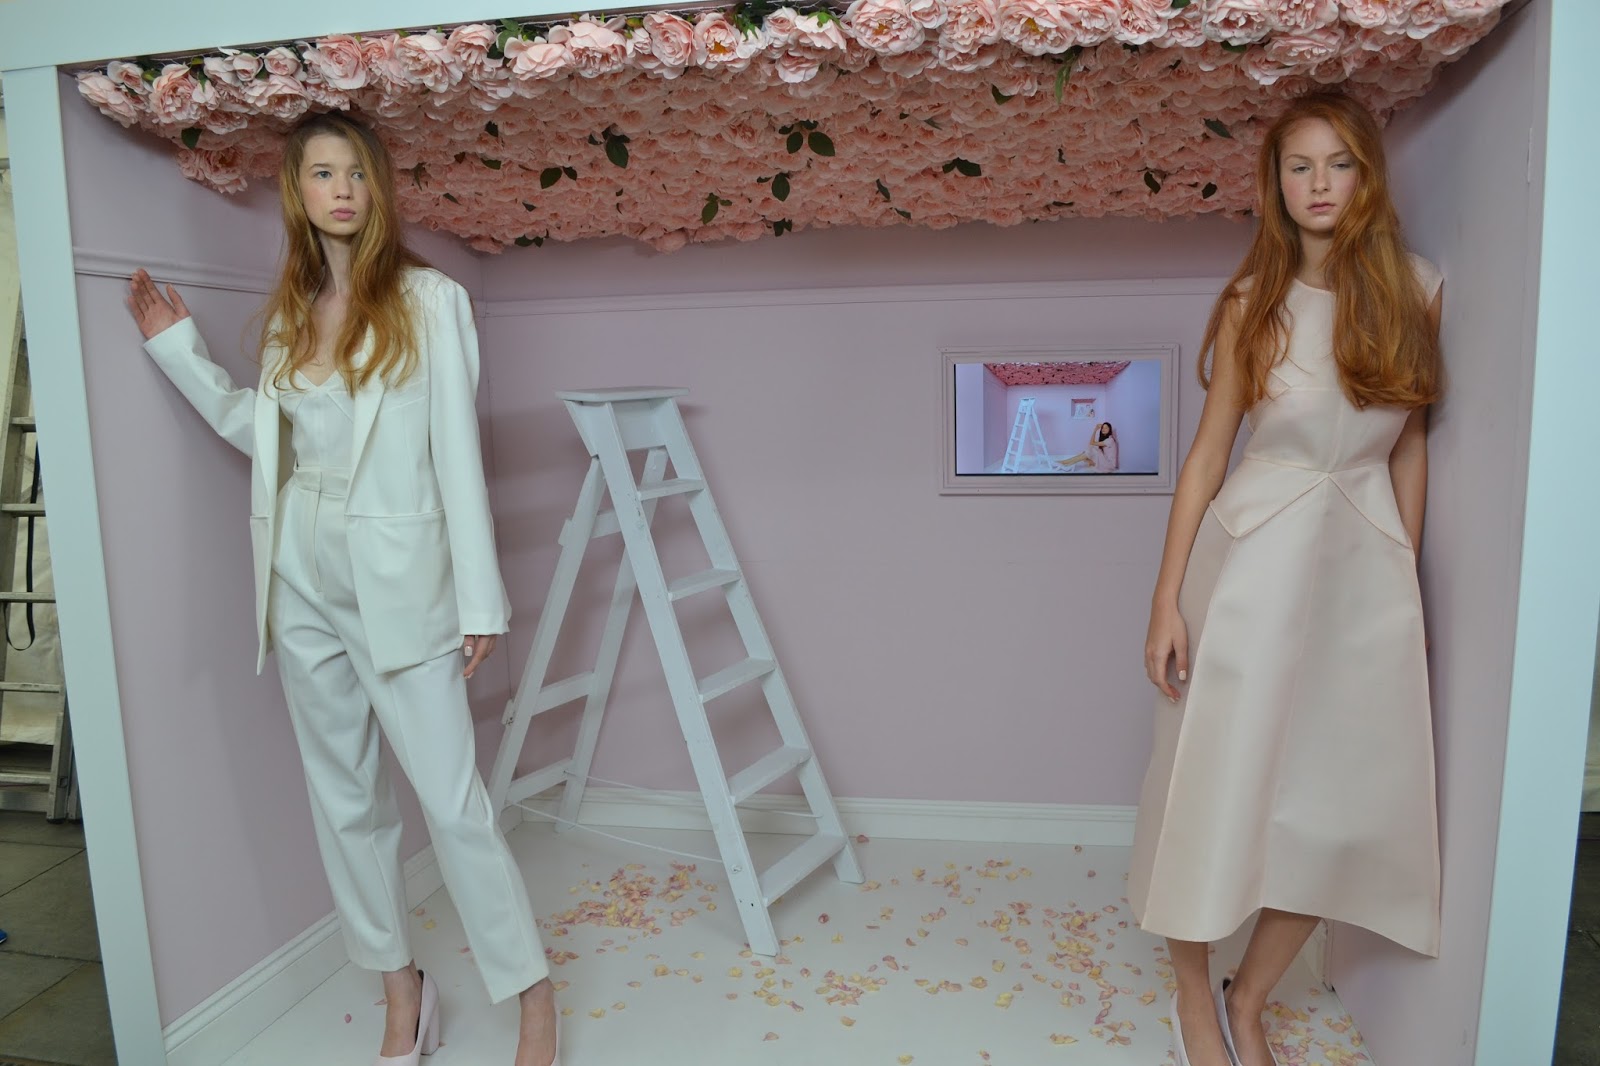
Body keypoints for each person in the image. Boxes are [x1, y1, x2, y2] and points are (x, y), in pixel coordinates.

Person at [126, 112, 559, 1066]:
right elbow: (265, 437)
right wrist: (179, 351)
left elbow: (458, 455)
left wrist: (479, 600)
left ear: (378, 188)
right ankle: (402, 991)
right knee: (347, 802)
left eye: (357, 173)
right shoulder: (291, 310)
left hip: (401, 582)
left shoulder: (431, 299)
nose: (343, 190)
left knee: (452, 805)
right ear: (299, 190)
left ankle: (532, 992)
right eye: (323, 173)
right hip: (300, 575)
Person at [1127, 92, 1444, 1066]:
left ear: (1367, 176)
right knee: (1211, 779)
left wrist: (1403, 577)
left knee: (1338, 798)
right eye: (1298, 166)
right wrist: (1166, 599)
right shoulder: (1250, 303)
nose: (1318, 185)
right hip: (1248, 563)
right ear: (1275, 184)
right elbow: (1205, 458)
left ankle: (1251, 998)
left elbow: (1408, 448)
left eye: (1338, 163)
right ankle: (1193, 993)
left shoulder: (1419, 290)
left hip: (1359, 569)